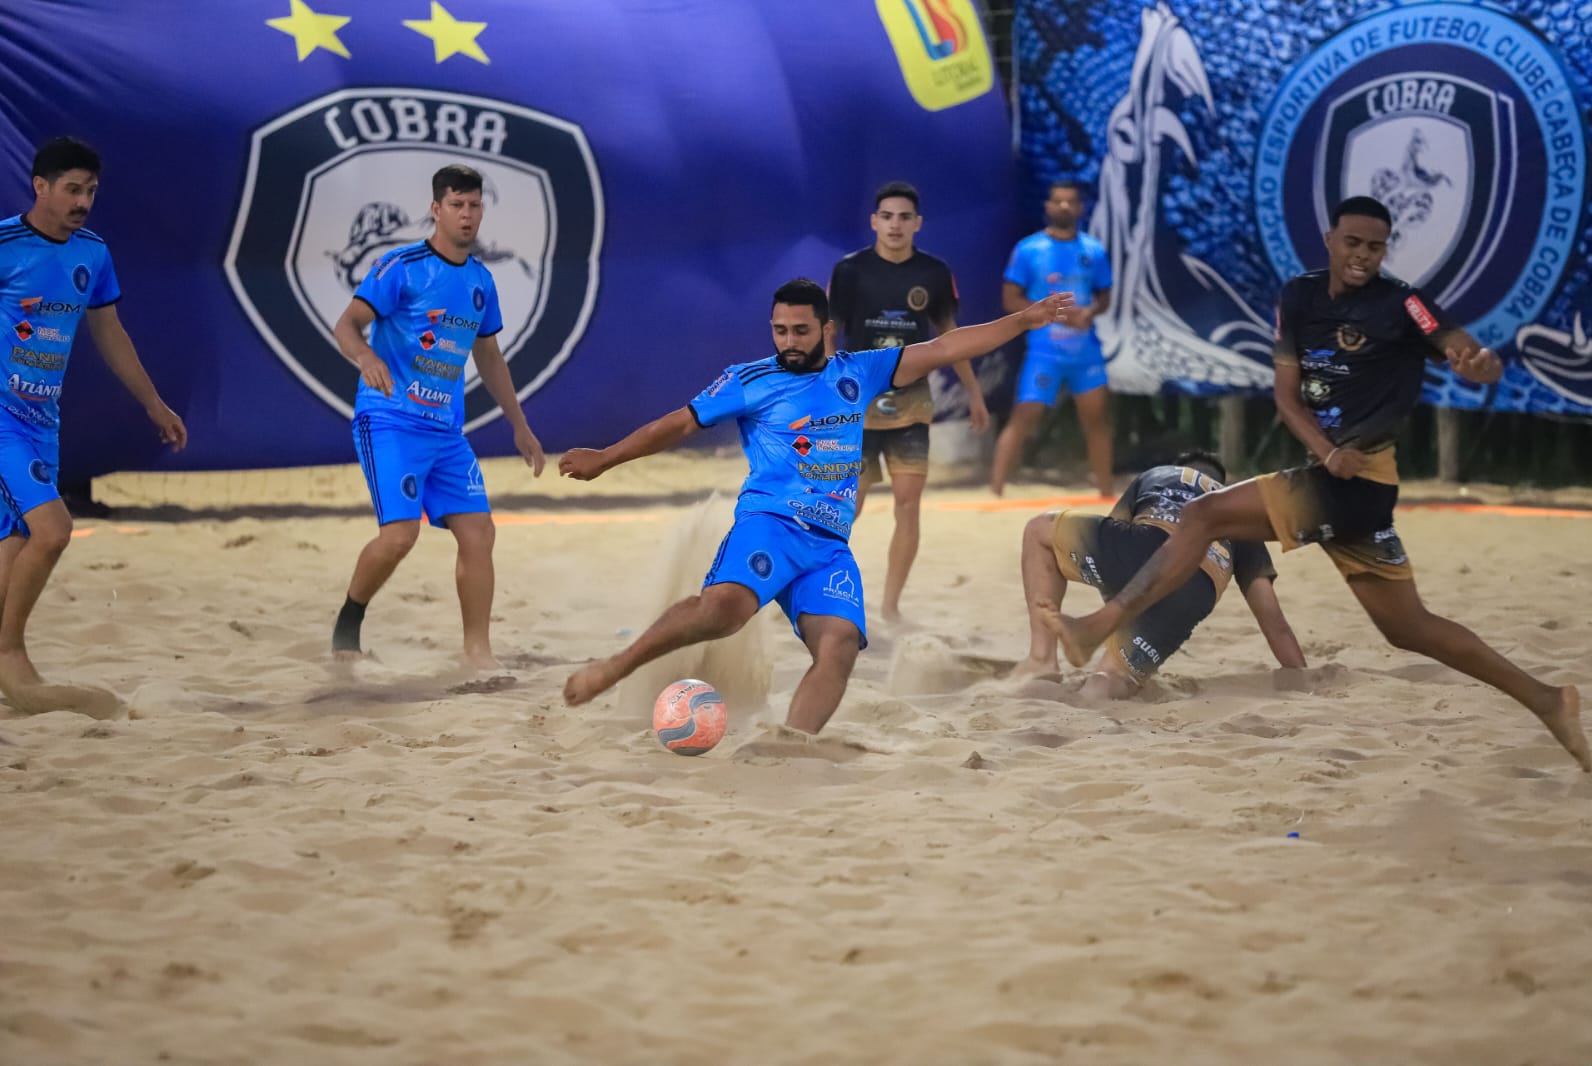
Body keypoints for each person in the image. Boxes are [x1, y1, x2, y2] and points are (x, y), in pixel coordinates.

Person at [1040, 195, 1591, 771]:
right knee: (1409, 628)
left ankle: (1098, 625)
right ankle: (1548, 699)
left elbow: (1457, 343)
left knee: (1202, 516)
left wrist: (1477, 362)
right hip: (1340, 480)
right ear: (1330, 240)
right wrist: (1326, 452)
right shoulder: (1299, 297)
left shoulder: (1404, 304)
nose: (1362, 256)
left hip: (1359, 485)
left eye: (1375, 247)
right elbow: (1286, 395)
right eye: (1352, 243)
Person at [560, 279, 1074, 732]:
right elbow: (677, 423)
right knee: (721, 612)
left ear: (826, 330)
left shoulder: (861, 371)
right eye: (780, 330)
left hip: (827, 548)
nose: (789, 342)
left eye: (800, 331)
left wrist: (1025, 319)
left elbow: (946, 346)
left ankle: (790, 747)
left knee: (839, 646)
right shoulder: (749, 379)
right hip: (770, 525)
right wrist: (606, 457)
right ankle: (615, 667)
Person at [329, 164, 545, 669]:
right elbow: (347, 324)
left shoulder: (480, 281)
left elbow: (488, 356)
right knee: (400, 536)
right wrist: (366, 357)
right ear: (436, 209)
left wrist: (519, 424)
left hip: (446, 431)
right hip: (389, 420)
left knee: (480, 532)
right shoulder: (400, 266)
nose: (467, 215)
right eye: (457, 205)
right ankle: (350, 620)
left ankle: (477, 654)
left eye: (474, 206)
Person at [0, 137, 186, 711]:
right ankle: (11, 659)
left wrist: (154, 403)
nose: (83, 201)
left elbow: (110, 333)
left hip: (41, 420)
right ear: (41, 187)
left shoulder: (92, 253)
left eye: (92, 192)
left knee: (16, 539)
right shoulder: (6, 244)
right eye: (73, 190)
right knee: (54, 530)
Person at [1013, 451, 1305, 700]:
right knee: (1110, 676)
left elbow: (1116, 538)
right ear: (1223, 484)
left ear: (1181, 467)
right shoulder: (1236, 512)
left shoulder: (1161, 473)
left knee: (1039, 530)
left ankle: (1042, 659)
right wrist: (1301, 679)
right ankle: (1096, 690)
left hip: (1147, 547)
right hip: (1195, 592)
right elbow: (1273, 619)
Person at [828, 181, 989, 622]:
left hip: (913, 404)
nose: (895, 225)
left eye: (904, 217)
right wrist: (823, 388)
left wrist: (974, 395)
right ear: (873, 221)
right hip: (857, 404)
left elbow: (951, 339)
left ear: (917, 224)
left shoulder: (934, 273)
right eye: (887, 216)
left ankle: (891, 606)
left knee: (907, 504)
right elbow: (828, 331)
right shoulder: (849, 271)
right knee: (847, 503)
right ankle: (818, 587)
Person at [990, 180, 1115, 498]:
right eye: (1057, 201)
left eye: (1070, 202)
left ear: (1079, 208)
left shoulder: (1093, 250)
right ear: (1047, 207)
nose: (1063, 207)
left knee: (1096, 417)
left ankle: (1106, 492)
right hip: (1045, 350)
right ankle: (995, 491)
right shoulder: (1028, 250)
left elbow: (1105, 295)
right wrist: (1044, 313)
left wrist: (1090, 312)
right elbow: (1009, 299)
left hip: (1085, 350)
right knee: (1024, 416)